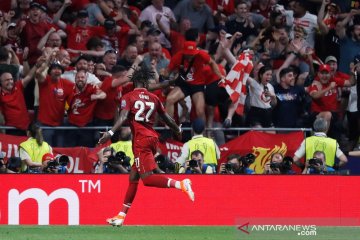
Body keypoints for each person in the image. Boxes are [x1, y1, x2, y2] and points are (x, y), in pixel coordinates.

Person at [98, 64, 195, 227]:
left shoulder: (128, 97)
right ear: (145, 82)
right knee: (133, 178)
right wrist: (177, 130)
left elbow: (122, 118)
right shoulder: (154, 97)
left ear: (134, 81)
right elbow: (167, 119)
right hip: (152, 138)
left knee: (148, 179)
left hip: (140, 140)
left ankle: (181, 184)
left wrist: (110, 133)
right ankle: (121, 216)